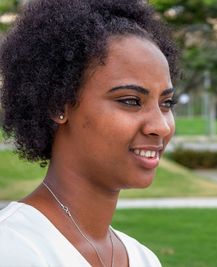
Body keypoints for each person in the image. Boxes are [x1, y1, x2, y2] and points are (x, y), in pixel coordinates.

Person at [0, 0, 179, 266]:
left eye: (166, 104)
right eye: (131, 101)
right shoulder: (14, 249)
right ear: (58, 105)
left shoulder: (144, 259)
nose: (161, 126)